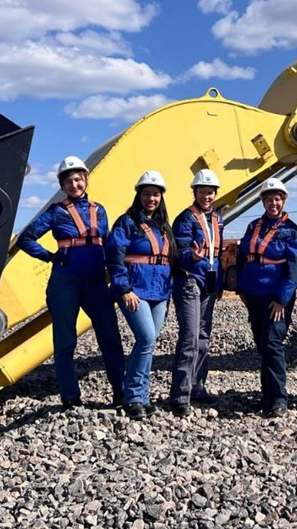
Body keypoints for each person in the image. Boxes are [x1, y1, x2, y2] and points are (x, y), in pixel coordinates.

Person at [17, 156, 125, 410]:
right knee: (65, 341)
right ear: (62, 186)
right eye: (69, 181)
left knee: (110, 337)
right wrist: (50, 256)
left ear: (86, 180)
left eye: (78, 179)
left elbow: (109, 244)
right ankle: (70, 397)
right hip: (65, 282)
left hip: (96, 282)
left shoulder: (100, 211)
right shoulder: (56, 212)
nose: (75, 185)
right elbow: (26, 239)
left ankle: (120, 391)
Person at [105, 170, 175, 420]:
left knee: (149, 343)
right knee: (145, 339)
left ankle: (142, 396)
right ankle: (133, 396)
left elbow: (170, 260)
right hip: (135, 291)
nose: (151, 199)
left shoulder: (164, 226)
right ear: (139, 196)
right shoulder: (127, 223)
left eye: (155, 194)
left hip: (159, 292)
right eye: (147, 194)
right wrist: (124, 289)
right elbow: (115, 257)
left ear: (161, 197)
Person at [236, 177, 297, 418]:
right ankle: (267, 396)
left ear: (283, 201)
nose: (273, 203)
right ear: (263, 201)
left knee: (273, 344)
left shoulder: (291, 231)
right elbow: (242, 257)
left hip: (276, 297)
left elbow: (295, 268)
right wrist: (241, 290)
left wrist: (283, 299)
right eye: (269, 198)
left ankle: (279, 398)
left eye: (278, 198)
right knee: (262, 345)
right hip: (254, 294)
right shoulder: (253, 226)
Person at [170, 168, 225, 417]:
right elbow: (178, 254)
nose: (207, 196)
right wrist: (190, 256)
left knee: (203, 338)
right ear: (195, 192)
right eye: (203, 191)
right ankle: (180, 395)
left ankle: (197, 387)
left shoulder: (217, 219)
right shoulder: (185, 219)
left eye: (210, 192)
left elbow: (217, 253)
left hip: (209, 283)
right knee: (190, 338)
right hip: (190, 281)